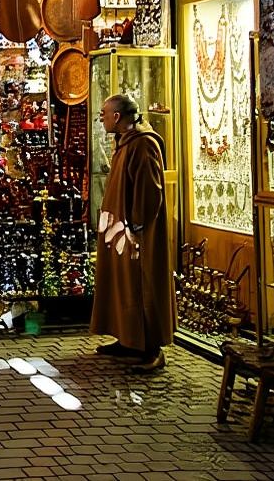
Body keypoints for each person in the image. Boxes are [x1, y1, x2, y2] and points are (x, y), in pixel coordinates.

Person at [90, 94, 175, 373]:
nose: (101, 118)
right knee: (122, 285)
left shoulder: (142, 144)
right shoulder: (125, 142)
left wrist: (136, 225)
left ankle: (150, 349)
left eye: (104, 114)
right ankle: (127, 339)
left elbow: (150, 190)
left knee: (141, 287)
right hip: (119, 232)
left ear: (117, 117)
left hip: (134, 233)